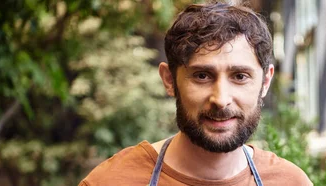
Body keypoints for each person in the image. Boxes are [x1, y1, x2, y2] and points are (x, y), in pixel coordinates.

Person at [79, 2, 312, 186]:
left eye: (240, 76)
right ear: (169, 80)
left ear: (265, 81)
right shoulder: (112, 181)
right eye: (202, 76)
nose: (220, 99)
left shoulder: (291, 182)